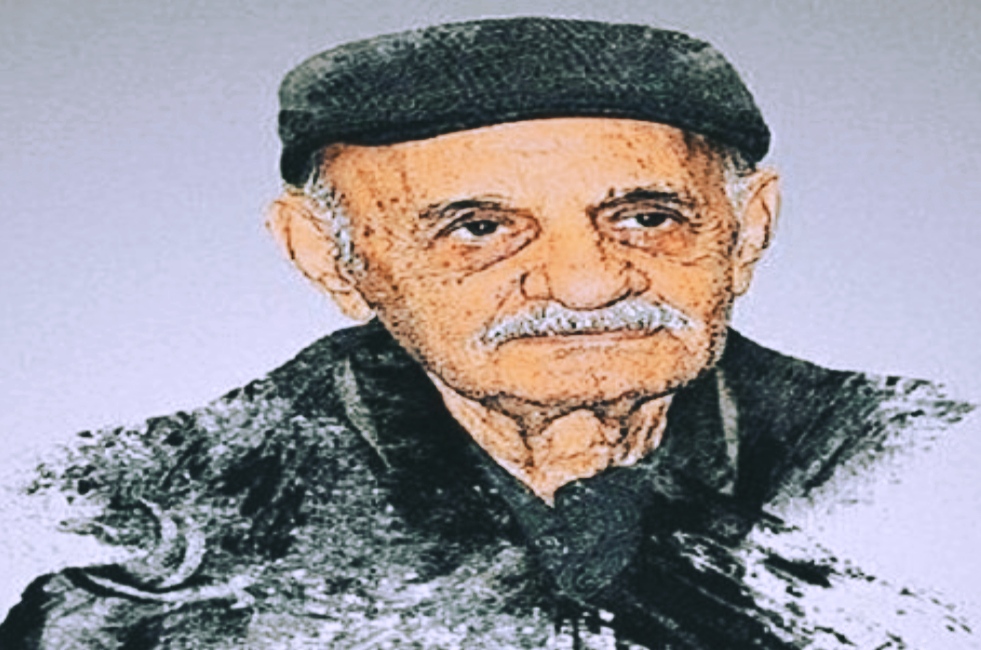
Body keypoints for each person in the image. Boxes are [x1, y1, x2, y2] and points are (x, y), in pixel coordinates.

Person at [0, 17, 975, 649]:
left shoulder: (933, 482)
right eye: (478, 228)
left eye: (646, 216)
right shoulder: (150, 548)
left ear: (746, 231)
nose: (588, 282)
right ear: (329, 258)